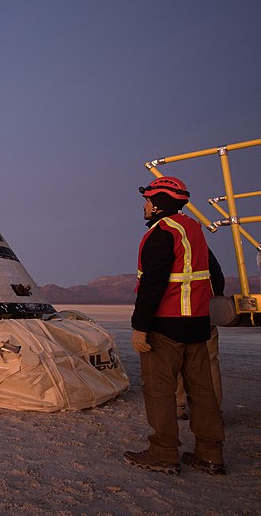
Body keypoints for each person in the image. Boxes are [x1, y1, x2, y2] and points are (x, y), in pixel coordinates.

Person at [124, 176, 226, 475]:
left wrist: (139, 326)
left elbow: (152, 285)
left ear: (158, 204)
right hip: (197, 325)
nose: (144, 206)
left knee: (159, 391)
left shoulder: (160, 234)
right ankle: (210, 454)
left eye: (147, 201)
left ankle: (163, 453)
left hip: (165, 327)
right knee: (202, 392)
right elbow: (214, 275)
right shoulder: (193, 230)